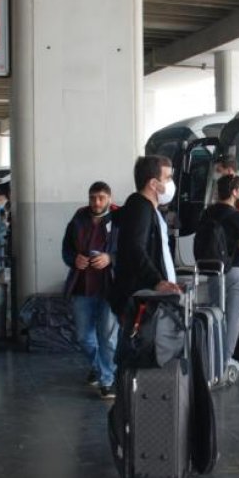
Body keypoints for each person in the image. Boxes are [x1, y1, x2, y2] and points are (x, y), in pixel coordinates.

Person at [109, 156, 181, 343]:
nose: (171, 184)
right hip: (140, 297)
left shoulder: (149, 209)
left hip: (149, 295)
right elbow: (135, 248)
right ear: (153, 184)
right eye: (168, 178)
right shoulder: (140, 208)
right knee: (137, 350)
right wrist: (156, 281)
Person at [63, 181, 120, 399]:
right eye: (93, 197)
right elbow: (66, 249)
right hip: (82, 285)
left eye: (101, 198)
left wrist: (110, 258)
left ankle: (108, 379)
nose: (97, 202)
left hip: (109, 287)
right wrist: (73, 259)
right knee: (83, 337)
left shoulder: (119, 219)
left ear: (109, 198)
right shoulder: (78, 219)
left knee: (107, 335)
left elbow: (128, 250)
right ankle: (100, 367)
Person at [199, 174, 239, 371]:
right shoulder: (237, 216)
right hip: (235, 270)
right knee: (233, 317)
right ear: (233, 192)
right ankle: (225, 361)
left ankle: (212, 357)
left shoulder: (208, 213)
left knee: (215, 314)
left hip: (213, 270)